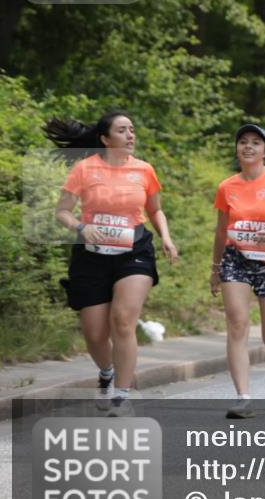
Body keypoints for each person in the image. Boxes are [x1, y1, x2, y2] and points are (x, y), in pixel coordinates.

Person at [45, 112, 178, 417]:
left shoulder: (144, 170)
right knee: (94, 333)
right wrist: (80, 227)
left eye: (132, 129)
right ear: (106, 139)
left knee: (123, 320)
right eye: (122, 130)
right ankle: (106, 372)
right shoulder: (84, 168)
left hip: (134, 251)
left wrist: (166, 238)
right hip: (91, 255)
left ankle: (122, 394)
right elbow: (62, 211)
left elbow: (156, 211)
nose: (130, 135)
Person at [210, 125, 265, 418]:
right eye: (243, 142)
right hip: (237, 259)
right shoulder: (227, 187)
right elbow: (222, 231)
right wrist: (215, 266)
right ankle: (243, 397)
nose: (248, 147)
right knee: (237, 323)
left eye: (255, 143)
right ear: (237, 149)